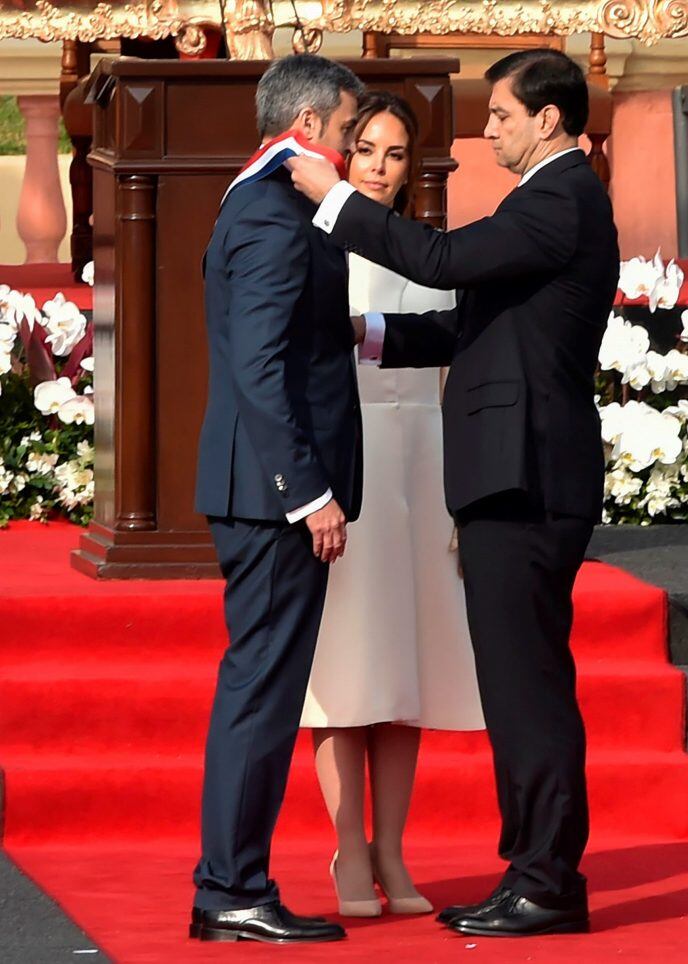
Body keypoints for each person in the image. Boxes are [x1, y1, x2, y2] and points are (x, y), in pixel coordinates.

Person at [289, 49, 620, 938]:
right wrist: (362, 334)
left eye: (503, 115)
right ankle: (534, 871)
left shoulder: (558, 197)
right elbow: (467, 324)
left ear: (548, 120)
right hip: (512, 474)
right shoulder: (550, 198)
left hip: (527, 475)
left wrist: (332, 196)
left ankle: (546, 881)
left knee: (529, 688)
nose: (489, 130)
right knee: (521, 686)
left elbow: (437, 259)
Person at [190, 54, 365, 945]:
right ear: (306, 130)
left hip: (261, 489)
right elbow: (260, 371)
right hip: (271, 496)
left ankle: (233, 882)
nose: (350, 150)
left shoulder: (256, 203)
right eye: (344, 134)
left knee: (260, 687)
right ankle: (232, 889)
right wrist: (310, 494)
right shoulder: (270, 214)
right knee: (261, 693)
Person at [299, 91, 484, 919]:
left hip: (423, 464)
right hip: (348, 463)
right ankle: (345, 849)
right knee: (349, 665)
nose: (379, 165)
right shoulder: (313, 244)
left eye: (395, 153)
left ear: (415, 166)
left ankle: (392, 851)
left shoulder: (433, 251)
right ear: (343, 156)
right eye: (366, 148)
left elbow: (453, 364)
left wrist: (455, 498)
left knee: (408, 667)